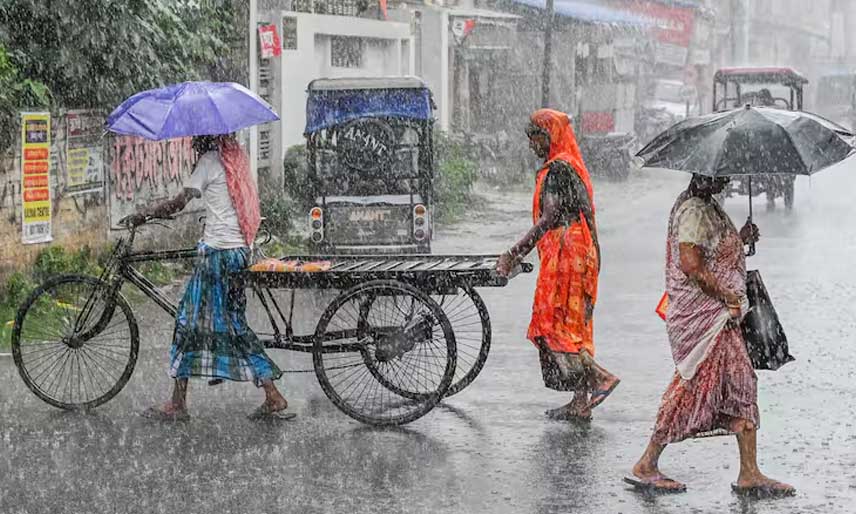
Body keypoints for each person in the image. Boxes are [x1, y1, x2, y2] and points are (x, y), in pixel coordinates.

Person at [627, 174, 794, 496]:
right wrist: (726, 296)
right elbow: (692, 264)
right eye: (722, 175)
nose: (727, 180)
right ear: (705, 174)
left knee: (741, 384)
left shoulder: (707, 206)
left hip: (723, 319)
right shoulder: (693, 210)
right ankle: (647, 463)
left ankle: (749, 472)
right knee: (693, 386)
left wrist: (740, 240)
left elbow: (712, 251)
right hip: (707, 318)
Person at [127, 134, 291, 421]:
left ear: (204, 140)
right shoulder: (235, 160)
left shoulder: (209, 161)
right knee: (233, 324)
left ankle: (178, 404)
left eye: (195, 141)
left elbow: (179, 202)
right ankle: (270, 392)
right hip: (238, 252)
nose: (191, 146)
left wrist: (145, 214)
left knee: (188, 322)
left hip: (217, 255)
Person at [496, 109, 619, 421]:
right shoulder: (573, 167)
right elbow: (589, 216)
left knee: (552, 323)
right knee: (575, 325)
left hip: (566, 254)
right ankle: (580, 402)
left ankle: (599, 378)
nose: (531, 146)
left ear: (548, 136)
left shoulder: (557, 171)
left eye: (535, 138)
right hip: (582, 252)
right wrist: (596, 255)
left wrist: (514, 252)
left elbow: (549, 218)